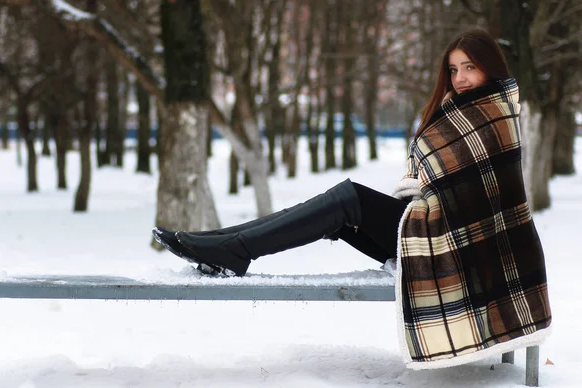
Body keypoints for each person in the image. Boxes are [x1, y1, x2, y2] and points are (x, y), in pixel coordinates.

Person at [153, 28, 551, 368]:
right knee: (342, 205)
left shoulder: (492, 113)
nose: (460, 78)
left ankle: (231, 249)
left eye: (470, 67)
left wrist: (419, 190)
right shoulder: (465, 108)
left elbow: (475, 193)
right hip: (438, 227)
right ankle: (225, 245)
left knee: (347, 200)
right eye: (454, 69)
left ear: (490, 67)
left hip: (456, 246)